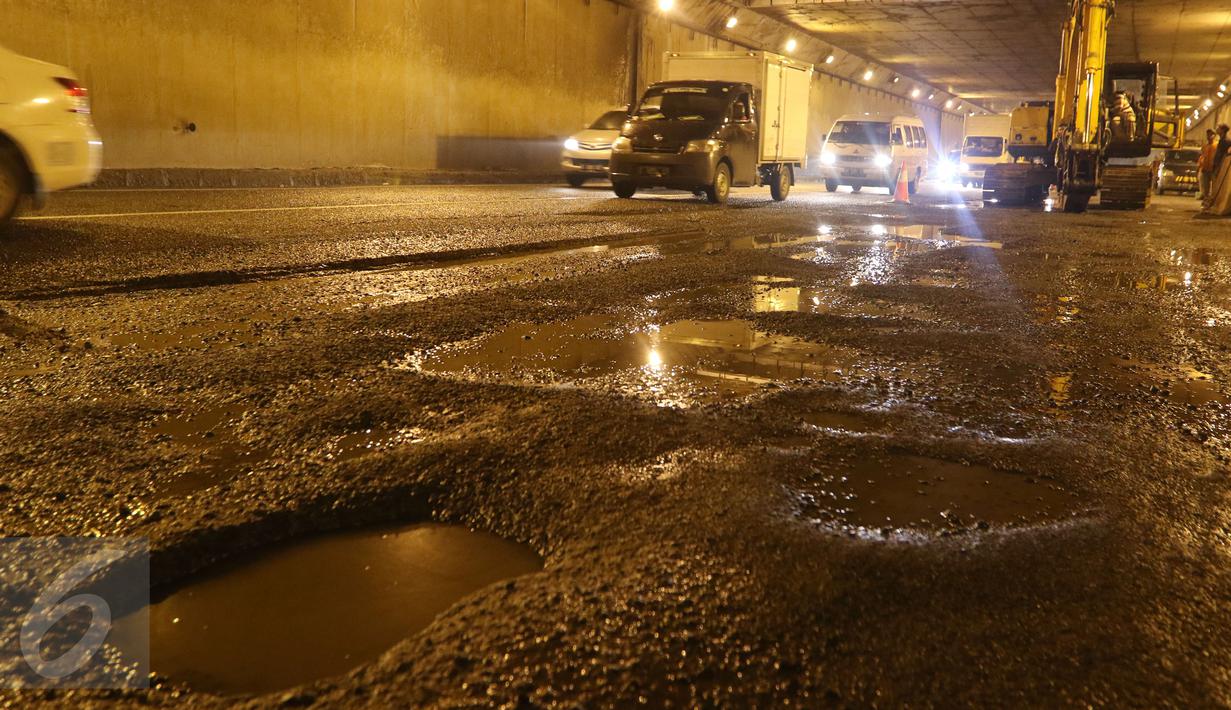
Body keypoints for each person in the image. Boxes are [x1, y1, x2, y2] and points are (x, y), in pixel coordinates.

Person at [1198, 129, 1217, 200]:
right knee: (1205, 189)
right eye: (1208, 134)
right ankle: (1205, 203)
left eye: (1211, 134)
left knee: (1214, 188)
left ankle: (1212, 202)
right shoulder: (1205, 146)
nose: (1209, 136)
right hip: (1205, 170)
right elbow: (1202, 157)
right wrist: (1201, 167)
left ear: (1214, 136)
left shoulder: (1216, 145)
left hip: (1213, 170)